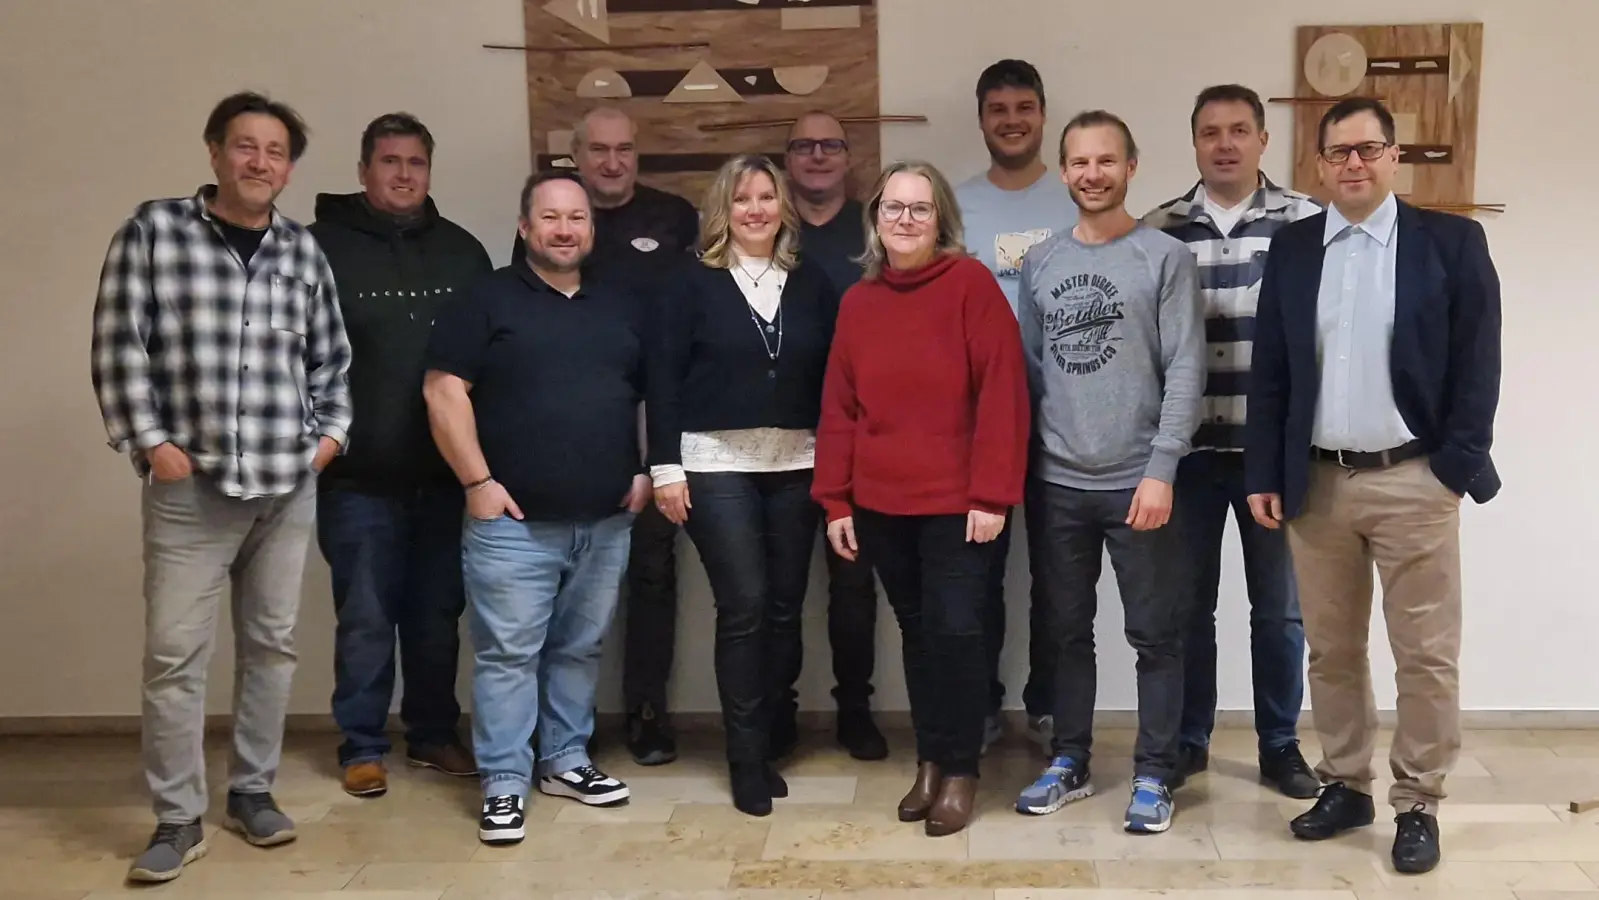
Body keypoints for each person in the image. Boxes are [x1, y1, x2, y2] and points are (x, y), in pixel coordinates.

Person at [90, 91, 352, 883]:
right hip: (190, 488)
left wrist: (328, 441)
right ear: (214, 152)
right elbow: (117, 345)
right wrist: (149, 443)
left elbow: (331, 363)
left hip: (284, 486)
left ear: (290, 167)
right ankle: (176, 817)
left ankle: (253, 791)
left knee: (271, 647)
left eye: (274, 152)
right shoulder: (154, 231)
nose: (259, 162)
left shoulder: (303, 252)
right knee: (175, 656)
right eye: (244, 146)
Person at [1244, 97, 1502, 875]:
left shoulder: (1449, 243)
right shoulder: (1292, 249)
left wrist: (1454, 465)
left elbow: (1477, 362)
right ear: (1317, 165)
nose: (1352, 163)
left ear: (1394, 157)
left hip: (1412, 478)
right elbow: (1272, 373)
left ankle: (1417, 799)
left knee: (1424, 653)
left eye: (1367, 149)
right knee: (1330, 649)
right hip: (1316, 484)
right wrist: (1264, 471)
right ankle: (1345, 782)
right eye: (1337, 153)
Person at [424, 171, 653, 845]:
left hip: (605, 518)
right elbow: (443, 393)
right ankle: (502, 782)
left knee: (578, 648)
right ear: (525, 227)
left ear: (591, 228)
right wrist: (476, 483)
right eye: (550, 217)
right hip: (512, 526)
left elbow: (642, 395)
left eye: (576, 218)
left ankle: (563, 761)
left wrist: (643, 469)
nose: (564, 229)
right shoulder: (484, 297)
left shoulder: (621, 301)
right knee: (508, 655)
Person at [814, 160, 1030, 837]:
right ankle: (931, 759)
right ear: (874, 217)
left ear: (941, 220)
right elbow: (840, 407)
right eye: (892, 207)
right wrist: (836, 500)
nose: (904, 219)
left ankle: (961, 768)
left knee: (958, 633)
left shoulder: (969, 285)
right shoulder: (859, 301)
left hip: (960, 502)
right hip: (880, 502)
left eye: (919, 208)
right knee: (917, 634)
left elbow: (1003, 393)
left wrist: (993, 493)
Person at [1013, 110, 1205, 835]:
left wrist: (1161, 467)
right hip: (1057, 482)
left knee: (1154, 634)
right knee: (1063, 631)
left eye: (1105, 161)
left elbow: (1185, 366)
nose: (1091, 174)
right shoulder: (1042, 261)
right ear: (1062, 172)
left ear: (1130, 167)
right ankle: (1068, 759)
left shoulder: (1163, 257)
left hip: (1138, 480)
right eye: (1078, 162)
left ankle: (1154, 773)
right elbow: (1031, 374)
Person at [1140, 84, 1323, 799]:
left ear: (1261, 141)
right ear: (1193, 143)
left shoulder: (1305, 222)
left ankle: (1279, 743)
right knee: (1188, 610)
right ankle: (1189, 739)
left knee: (1278, 610)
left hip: (1269, 455)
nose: (1224, 143)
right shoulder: (1158, 228)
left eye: (1239, 130)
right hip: (1184, 456)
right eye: (1211, 132)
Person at [649, 154, 840, 816]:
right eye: (741, 199)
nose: (754, 209)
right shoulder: (687, 282)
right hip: (712, 462)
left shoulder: (811, 280)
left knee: (786, 607)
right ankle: (744, 757)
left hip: (798, 463)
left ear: (782, 207)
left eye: (766, 197)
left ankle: (772, 733)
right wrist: (664, 468)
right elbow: (662, 379)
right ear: (721, 210)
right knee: (747, 604)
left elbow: (835, 380)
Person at [308, 111, 492, 798]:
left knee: (437, 613)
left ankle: (433, 733)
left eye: (415, 163)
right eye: (389, 162)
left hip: (445, 480)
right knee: (363, 615)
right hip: (357, 479)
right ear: (363, 171)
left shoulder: (463, 253)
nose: (403, 175)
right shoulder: (316, 249)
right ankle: (360, 743)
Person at [511, 106, 700, 766]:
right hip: (567, 431)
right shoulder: (547, 227)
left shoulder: (674, 218)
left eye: (623, 149)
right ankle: (564, 726)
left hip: (654, 424)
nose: (612, 162)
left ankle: (648, 711)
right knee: (561, 580)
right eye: (597, 150)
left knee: (651, 574)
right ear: (575, 155)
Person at [953, 59, 1077, 752]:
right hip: (976, 424)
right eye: (997, 108)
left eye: (1023, 106)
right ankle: (980, 704)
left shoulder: (1074, 200)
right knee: (977, 575)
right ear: (981, 119)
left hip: (1063, 416)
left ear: (1041, 114)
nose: (1010, 119)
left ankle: (1050, 702)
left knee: (1059, 576)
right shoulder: (957, 204)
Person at [780, 109, 888, 761]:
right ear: (786, 159)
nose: (817, 156)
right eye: (803, 146)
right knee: (782, 585)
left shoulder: (872, 231)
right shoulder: (769, 229)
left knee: (853, 584)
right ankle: (779, 713)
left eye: (830, 146)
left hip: (860, 436)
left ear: (848, 157)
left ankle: (856, 709)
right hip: (783, 437)